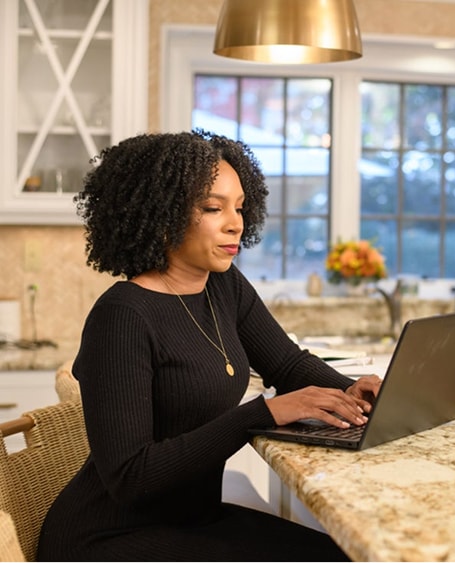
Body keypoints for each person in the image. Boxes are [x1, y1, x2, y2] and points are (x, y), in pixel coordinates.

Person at [37, 130, 382, 562]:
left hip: (192, 518)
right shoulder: (122, 315)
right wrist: (263, 414)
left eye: (239, 207)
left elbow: (288, 364)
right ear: (162, 213)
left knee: (345, 553)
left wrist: (354, 392)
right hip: (111, 538)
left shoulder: (223, 286)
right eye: (212, 207)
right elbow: (130, 477)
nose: (235, 222)